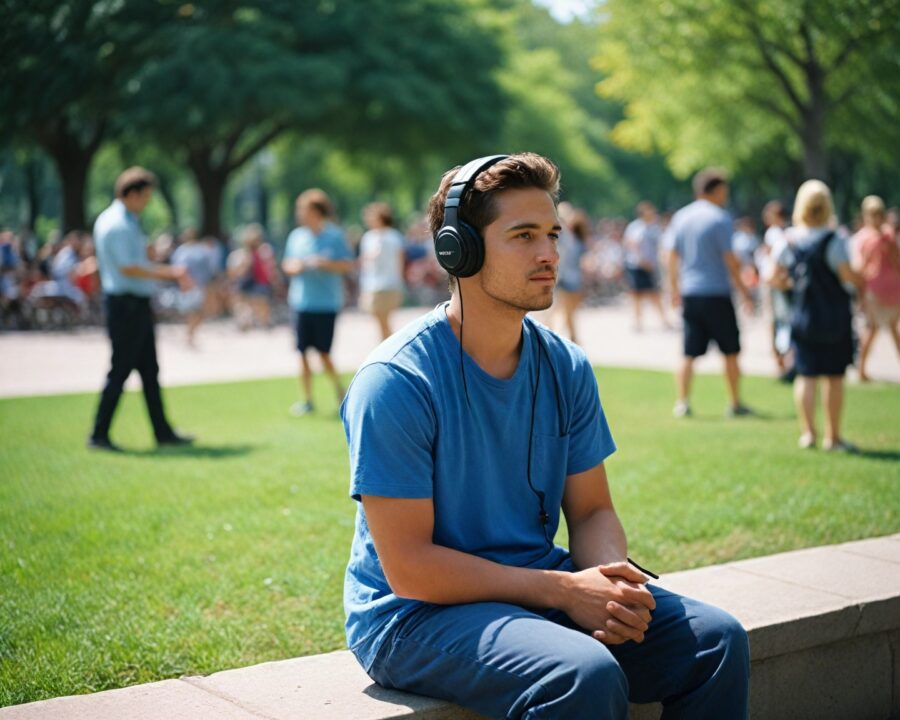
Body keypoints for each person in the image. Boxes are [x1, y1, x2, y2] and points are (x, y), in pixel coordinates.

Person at [340, 153, 750, 719]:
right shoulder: (395, 381)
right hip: (412, 613)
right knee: (582, 674)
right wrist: (561, 592)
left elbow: (591, 511)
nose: (550, 254)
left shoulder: (566, 366)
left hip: (537, 584)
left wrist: (609, 581)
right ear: (459, 249)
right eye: (524, 235)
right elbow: (409, 567)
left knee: (718, 641)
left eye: (554, 234)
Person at [88, 167, 194, 452]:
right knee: (121, 369)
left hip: (134, 305)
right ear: (132, 194)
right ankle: (99, 434)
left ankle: (162, 431)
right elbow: (129, 268)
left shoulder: (124, 221)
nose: (146, 203)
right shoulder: (118, 224)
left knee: (149, 370)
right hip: (127, 306)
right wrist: (170, 272)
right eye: (145, 197)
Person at [768, 180, 864, 451]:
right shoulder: (836, 239)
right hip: (834, 317)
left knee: (806, 376)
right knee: (833, 377)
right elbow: (848, 277)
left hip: (803, 317)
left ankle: (808, 433)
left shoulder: (788, 240)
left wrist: (792, 285)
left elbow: (772, 276)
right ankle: (832, 437)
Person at [664, 168, 754, 418]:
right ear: (715, 190)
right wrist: (745, 292)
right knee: (730, 352)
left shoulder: (681, 218)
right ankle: (735, 403)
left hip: (691, 293)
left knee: (688, 352)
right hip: (717, 293)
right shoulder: (720, 218)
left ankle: (682, 402)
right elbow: (730, 260)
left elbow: (671, 256)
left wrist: (673, 288)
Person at [282, 189, 353, 416]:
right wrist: (298, 266)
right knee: (302, 352)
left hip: (326, 303)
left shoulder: (335, 235)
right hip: (301, 302)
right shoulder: (297, 237)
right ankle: (307, 399)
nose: (300, 214)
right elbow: (287, 265)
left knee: (323, 352)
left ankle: (340, 392)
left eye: (303, 209)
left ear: (316, 211)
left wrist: (324, 264)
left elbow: (347, 265)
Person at [852, 195, 900, 382]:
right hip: (873, 289)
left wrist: (889, 247)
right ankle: (861, 369)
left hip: (893, 287)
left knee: (894, 328)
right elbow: (859, 267)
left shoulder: (889, 235)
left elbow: (897, 261)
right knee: (872, 328)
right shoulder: (862, 237)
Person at [358, 202, 405, 340]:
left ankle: (387, 345)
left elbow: (400, 260)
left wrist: (400, 282)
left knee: (383, 320)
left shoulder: (394, 236)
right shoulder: (368, 237)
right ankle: (388, 344)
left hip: (389, 283)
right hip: (371, 284)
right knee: (379, 320)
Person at [760, 200, 794, 380]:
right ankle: (784, 363)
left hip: (773, 285)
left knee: (775, 323)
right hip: (780, 284)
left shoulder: (775, 234)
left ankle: (781, 364)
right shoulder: (785, 234)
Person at [623, 202, 670, 331]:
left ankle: (664, 320)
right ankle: (638, 322)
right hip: (637, 265)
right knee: (636, 294)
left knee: (654, 293)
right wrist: (642, 261)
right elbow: (631, 245)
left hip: (650, 265)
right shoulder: (635, 227)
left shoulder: (654, 228)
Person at [170, 228, 216, 347]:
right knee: (193, 311)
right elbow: (178, 269)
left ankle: (190, 333)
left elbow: (208, 268)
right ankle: (189, 335)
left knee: (200, 312)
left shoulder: (201, 250)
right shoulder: (182, 251)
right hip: (188, 285)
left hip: (200, 285)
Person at [552, 202, 590, 343]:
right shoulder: (560, 234)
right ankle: (573, 339)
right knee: (565, 311)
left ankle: (569, 338)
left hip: (576, 278)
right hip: (564, 278)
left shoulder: (577, 236)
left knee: (570, 311)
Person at [227, 223, 275, 330]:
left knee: (261, 302)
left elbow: (269, 268)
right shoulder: (241, 254)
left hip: (259, 282)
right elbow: (236, 272)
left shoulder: (264, 251)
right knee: (243, 303)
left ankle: (263, 322)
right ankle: (246, 322)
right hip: (245, 282)